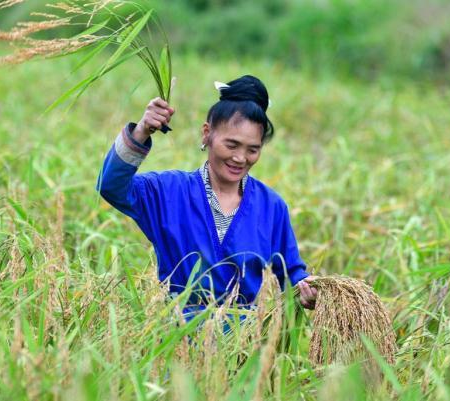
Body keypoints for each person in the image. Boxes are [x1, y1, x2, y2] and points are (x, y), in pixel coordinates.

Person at [97, 75, 318, 319]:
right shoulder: (168, 192)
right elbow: (111, 186)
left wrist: (309, 290)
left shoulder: (271, 206)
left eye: (252, 150)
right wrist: (141, 131)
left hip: (243, 346)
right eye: (232, 145)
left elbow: (292, 275)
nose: (240, 158)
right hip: (176, 339)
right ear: (207, 134)